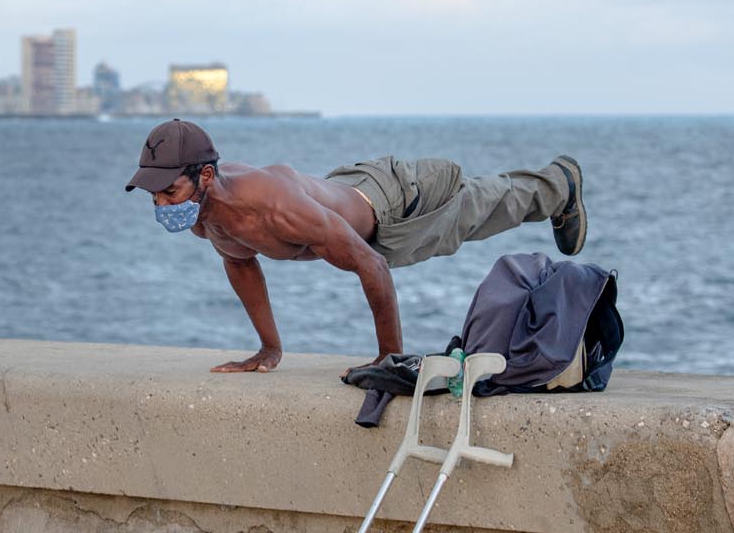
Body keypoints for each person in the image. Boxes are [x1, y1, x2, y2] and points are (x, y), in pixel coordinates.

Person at [125, 118, 587, 374]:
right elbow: (241, 265)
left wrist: (389, 360)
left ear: (205, 175)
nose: (161, 204)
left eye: (169, 192)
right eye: (153, 194)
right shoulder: (206, 217)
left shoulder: (274, 207)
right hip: (349, 191)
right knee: (479, 207)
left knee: (479, 211)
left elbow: (373, 266)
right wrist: (269, 349)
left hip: (394, 209)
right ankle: (554, 186)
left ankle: (559, 184)